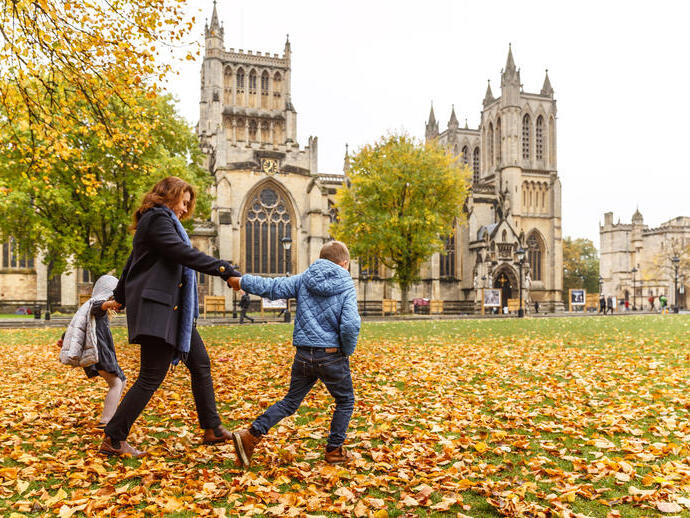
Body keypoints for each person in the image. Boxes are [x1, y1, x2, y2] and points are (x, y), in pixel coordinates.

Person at [99, 176, 241, 458]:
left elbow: (133, 263)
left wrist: (121, 295)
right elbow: (180, 253)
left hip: (173, 312)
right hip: (160, 310)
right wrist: (225, 270)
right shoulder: (157, 219)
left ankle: (211, 427)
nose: (185, 210)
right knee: (151, 376)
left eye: (188, 205)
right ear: (169, 195)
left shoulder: (156, 221)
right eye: (183, 202)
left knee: (200, 364)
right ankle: (113, 438)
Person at [229, 240, 360, 467]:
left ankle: (250, 436)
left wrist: (242, 281)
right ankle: (334, 451)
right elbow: (350, 325)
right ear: (345, 263)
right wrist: (347, 351)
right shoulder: (346, 283)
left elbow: (272, 288)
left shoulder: (305, 278)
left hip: (304, 354)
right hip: (331, 355)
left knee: (290, 402)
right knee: (345, 401)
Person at [58, 275, 126, 428]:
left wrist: (64, 339)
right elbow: (99, 305)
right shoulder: (96, 305)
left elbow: (79, 325)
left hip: (102, 353)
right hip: (99, 354)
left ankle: (110, 417)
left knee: (121, 381)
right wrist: (113, 302)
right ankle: (106, 421)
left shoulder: (89, 309)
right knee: (117, 383)